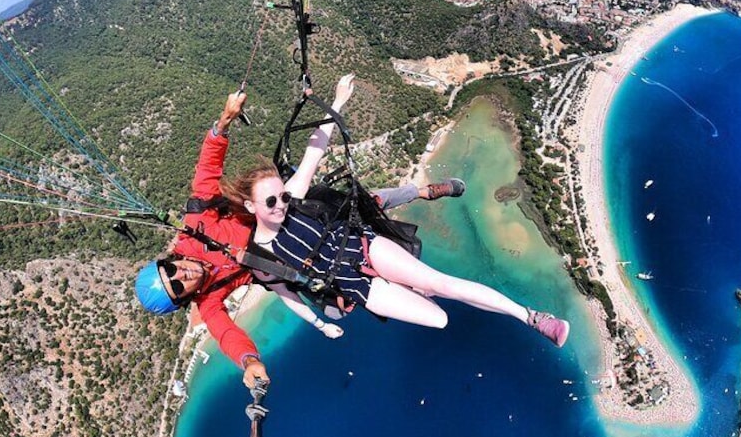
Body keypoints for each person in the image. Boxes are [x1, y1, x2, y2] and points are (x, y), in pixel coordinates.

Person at [135, 88, 468, 387]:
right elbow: (227, 335)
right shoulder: (208, 301)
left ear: (171, 259)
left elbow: (205, 174)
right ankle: (410, 286)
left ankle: (421, 191)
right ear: (183, 299)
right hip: (284, 259)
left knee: (360, 203)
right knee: (338, 296)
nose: (184, 275)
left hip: (277, 215)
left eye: (172, 271)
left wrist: (224, 121)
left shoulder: (196, 228)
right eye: (178, 287)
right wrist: (250, 362)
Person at [226, 74, 570, 346]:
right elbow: (288, 295)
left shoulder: (294, 195)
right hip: (353, 286)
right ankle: (416, 284)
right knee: (440, 318)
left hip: (360, 247)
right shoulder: (261, 257)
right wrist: (321, 325)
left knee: (442, 283)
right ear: (250, 206)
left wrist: (338, 102)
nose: (281, 205)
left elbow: (314, 150)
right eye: (271, 202)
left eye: (282, 197)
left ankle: (531, 317)